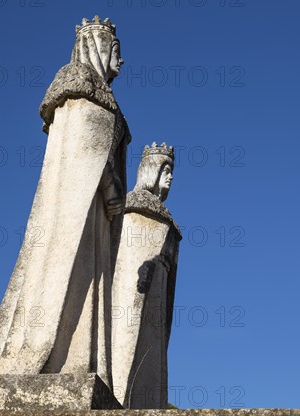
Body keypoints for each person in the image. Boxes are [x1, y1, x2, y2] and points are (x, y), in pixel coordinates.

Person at [0, 16, 131, 389]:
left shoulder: (108, 100)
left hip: (96, 218)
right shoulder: (78, 83)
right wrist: (109, 185)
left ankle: (80, 362)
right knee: (62, 273)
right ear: (97, 46)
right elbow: (82, 144)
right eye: (116, 52)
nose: (121, 62)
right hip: (74, 207)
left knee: (90, 283)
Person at [111, 143, 182, 409]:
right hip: (131, 288)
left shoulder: (167, 218)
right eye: (165, 169)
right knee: (126, 344)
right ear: (151, 170)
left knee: (152, 355)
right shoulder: (133, 205)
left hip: (158, 290)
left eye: (171, 170)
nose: (170, 176)